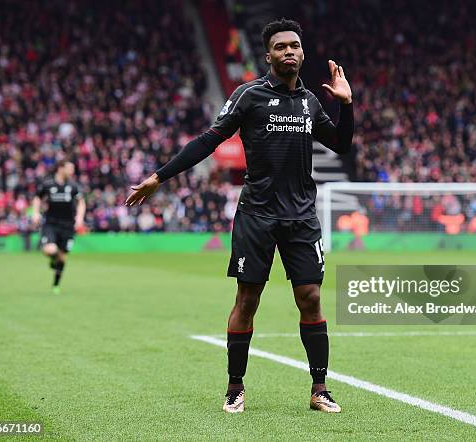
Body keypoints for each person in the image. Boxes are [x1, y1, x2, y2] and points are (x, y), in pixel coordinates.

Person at [126, 19, 353, 413]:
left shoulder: (311, 103)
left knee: (311, 297)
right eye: (280, 47)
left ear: (303, 53)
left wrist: (346, 105)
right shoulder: (248, 96)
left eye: (294, 46)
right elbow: (208, 141)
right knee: (247, 299)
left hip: (301, 215)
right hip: (258, 215)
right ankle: (235, 386)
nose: (288, 52)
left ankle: (319, 389)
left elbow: (341, 145)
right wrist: (159, 177)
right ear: (268, 55)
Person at [32, 161, 85, 294]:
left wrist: (79, 217)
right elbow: (37, 198)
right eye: (70, 168)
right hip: (50, 223)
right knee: (50, 250)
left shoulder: (73, 185)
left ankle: (56, 285)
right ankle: (52, 259)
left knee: (62, 257)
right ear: (61, 168)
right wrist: (35, 213)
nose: (72, 171)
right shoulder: (48, 184)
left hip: (68, 226)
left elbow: (81, 202)